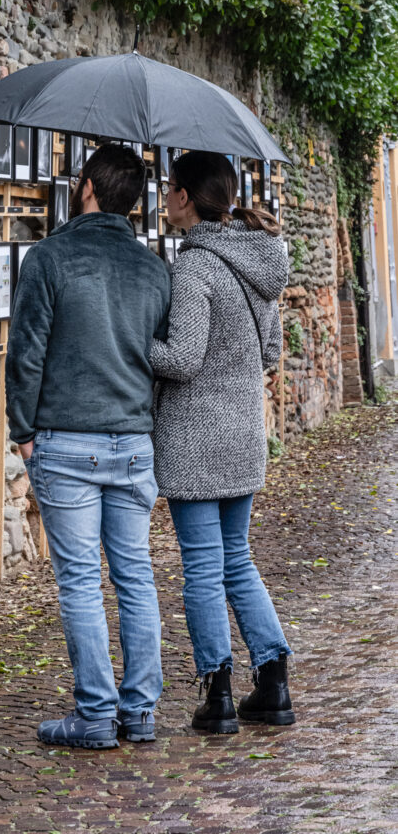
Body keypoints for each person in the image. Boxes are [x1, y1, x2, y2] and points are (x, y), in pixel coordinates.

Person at [6, 143, 172, 749]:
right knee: (136, 576)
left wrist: (23, 434)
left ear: (86, 188)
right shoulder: (154, 269)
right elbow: (157, 357)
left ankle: (95, 715)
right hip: (131, 441)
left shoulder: (48, 258)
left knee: (80, 581)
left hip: (67, 442)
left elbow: (25, 355)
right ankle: (141, 713)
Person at [151, 150, 295, 734]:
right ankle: (274, 680)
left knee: (204, 568)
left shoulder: (195, 268)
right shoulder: (260, 260)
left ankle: (217, 696)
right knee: (237, 559)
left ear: (186, 197)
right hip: (243, 433)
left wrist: (136, 347)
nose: (163, 199)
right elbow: (269, 354)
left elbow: (181, 361)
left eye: (168, 190)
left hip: (194, 439)